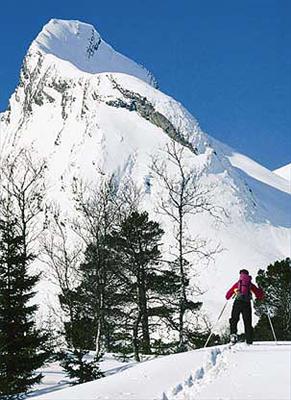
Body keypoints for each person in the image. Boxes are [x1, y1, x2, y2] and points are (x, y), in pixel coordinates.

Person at [225, 269, 264, 344]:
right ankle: (249, 339)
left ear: (240, 275)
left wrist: (231, 294)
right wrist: (261, 290)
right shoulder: (250, 284)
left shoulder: (238, 283)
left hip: (238, 302)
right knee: (247, 321)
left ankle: (233, 335)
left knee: (234, 319)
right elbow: (259, 295)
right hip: (247, 303)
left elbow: (227, 295)